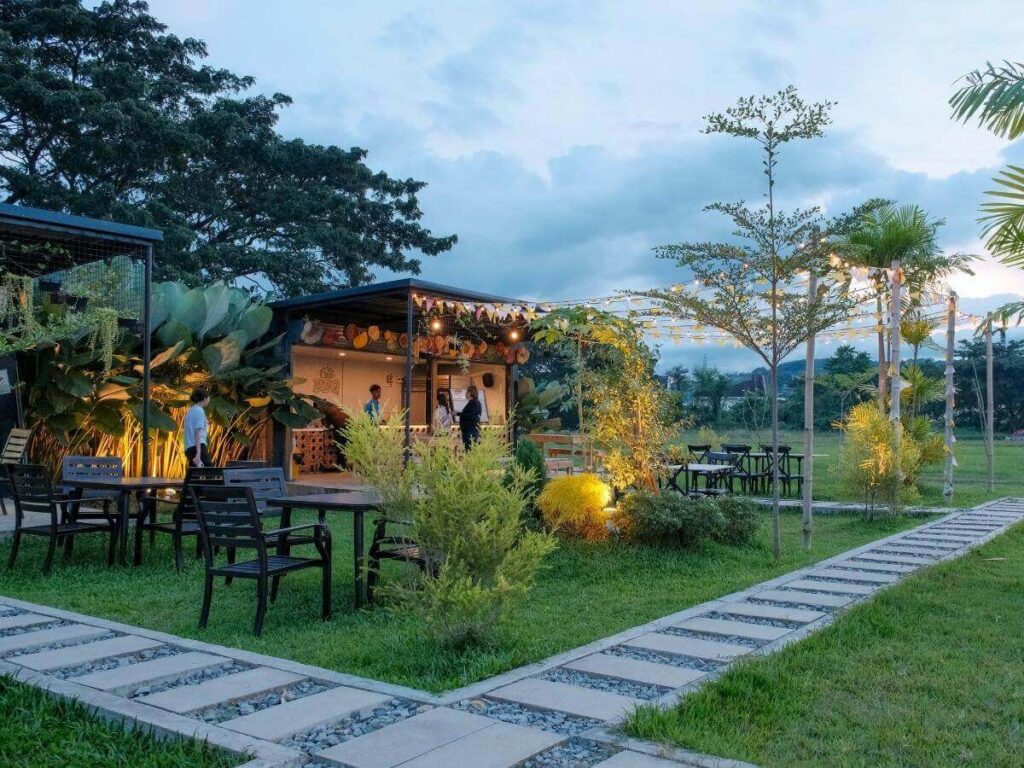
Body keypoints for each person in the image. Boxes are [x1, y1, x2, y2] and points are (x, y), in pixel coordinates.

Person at [183, 387, 212, 468]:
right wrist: (198, 453)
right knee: (210, 472)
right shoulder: (199, 411)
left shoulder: (190, 411)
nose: (209, 401)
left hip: (189, 447)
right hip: (198, 446)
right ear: (205, 399)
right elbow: (197, 432)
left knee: (195, 474)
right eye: (209, 399)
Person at [459, 384, 482, 450]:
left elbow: (470, 415)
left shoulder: (474, 403)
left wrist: (459, 414)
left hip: (470, 431)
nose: (465, 394)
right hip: (470, 431)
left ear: (470, 392)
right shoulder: (474, 402)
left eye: (467, 392)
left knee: (469, 450)